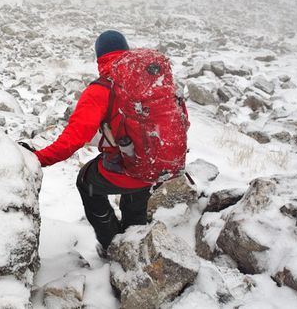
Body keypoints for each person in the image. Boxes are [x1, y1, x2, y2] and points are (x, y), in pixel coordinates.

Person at [20, 30, 189, 255]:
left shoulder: (100, 89)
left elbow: (72, 140)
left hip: (131, 167)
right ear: (127, 51)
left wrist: (38, 158)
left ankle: (112, 244)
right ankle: (135, 239)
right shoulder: (153, 83)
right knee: (137, 184)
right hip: (159, 164)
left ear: (99, 58)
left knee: (86, 182)